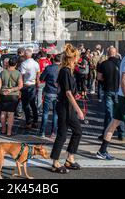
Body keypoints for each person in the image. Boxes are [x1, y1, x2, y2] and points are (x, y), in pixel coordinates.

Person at [50, 44, 83, 174]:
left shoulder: (68, 70)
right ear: (72, 58)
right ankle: (56, 162)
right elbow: (68, 93)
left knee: (75, 131)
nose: (78, 60)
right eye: (77, 58)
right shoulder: (65, 71)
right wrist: (79, 110)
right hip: (64, 106)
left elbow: (65, 89)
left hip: (66, 105)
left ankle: (69, 158)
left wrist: (76, 95)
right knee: (64, 134)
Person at [97, 47, 125, 140]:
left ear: (108, 54)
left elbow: (99, 78)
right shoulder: (121, 63)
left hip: (108, 90)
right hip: (119, 90)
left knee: (109, 113)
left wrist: (105, 79)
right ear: (116, 53)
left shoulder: (103, 64)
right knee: (119, 112)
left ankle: (106, 133)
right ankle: (121, 134)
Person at [0, 57, 23, 136]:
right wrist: (11, 90)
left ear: (8, 63)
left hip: (3, 94)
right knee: (11, 114)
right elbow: (20, 86)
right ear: (16, 64)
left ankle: (3, 130)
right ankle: (9, 132)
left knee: (3, 112)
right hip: (13, 95)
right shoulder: (18, 73)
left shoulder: (2, 72)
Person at [39, 53, 61, 139]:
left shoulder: (48, 68)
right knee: (56, 114)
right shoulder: (62, 69)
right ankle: (53, 133)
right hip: (57, 93)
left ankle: (42, 132)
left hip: (48, 92)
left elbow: (41, 78)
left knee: (45, 113)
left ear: (53, 60)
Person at [19, 49, 40, 129]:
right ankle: (35, 121)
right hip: (33, 85)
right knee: (33, 104)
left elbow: (22, 76)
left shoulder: (24, 64)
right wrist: (37, 82)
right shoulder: (36, 63)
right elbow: (38, 74)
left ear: (25, 55)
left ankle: (28, 122)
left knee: (26, 105)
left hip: (26, 85)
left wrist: (20, 86)